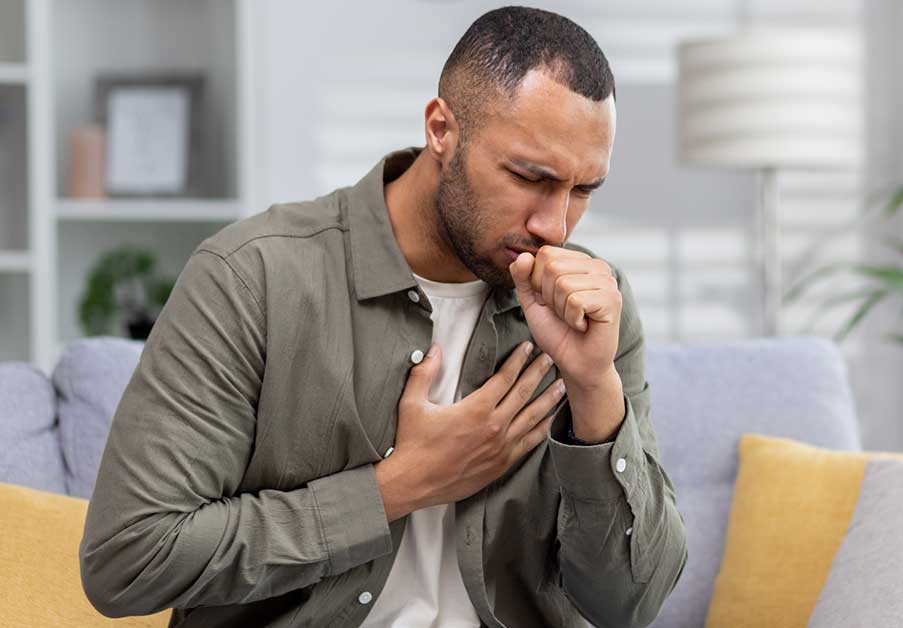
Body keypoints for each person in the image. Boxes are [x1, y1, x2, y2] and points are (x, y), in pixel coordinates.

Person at [79, 5, 687, 628]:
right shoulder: (252, 277)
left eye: (583, 190)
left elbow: (630, 605)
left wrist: (594, 393)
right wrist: (397, 487)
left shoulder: (593, 308)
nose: (554, 226)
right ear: (441, 129)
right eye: (529, 176)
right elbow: (128, 560)